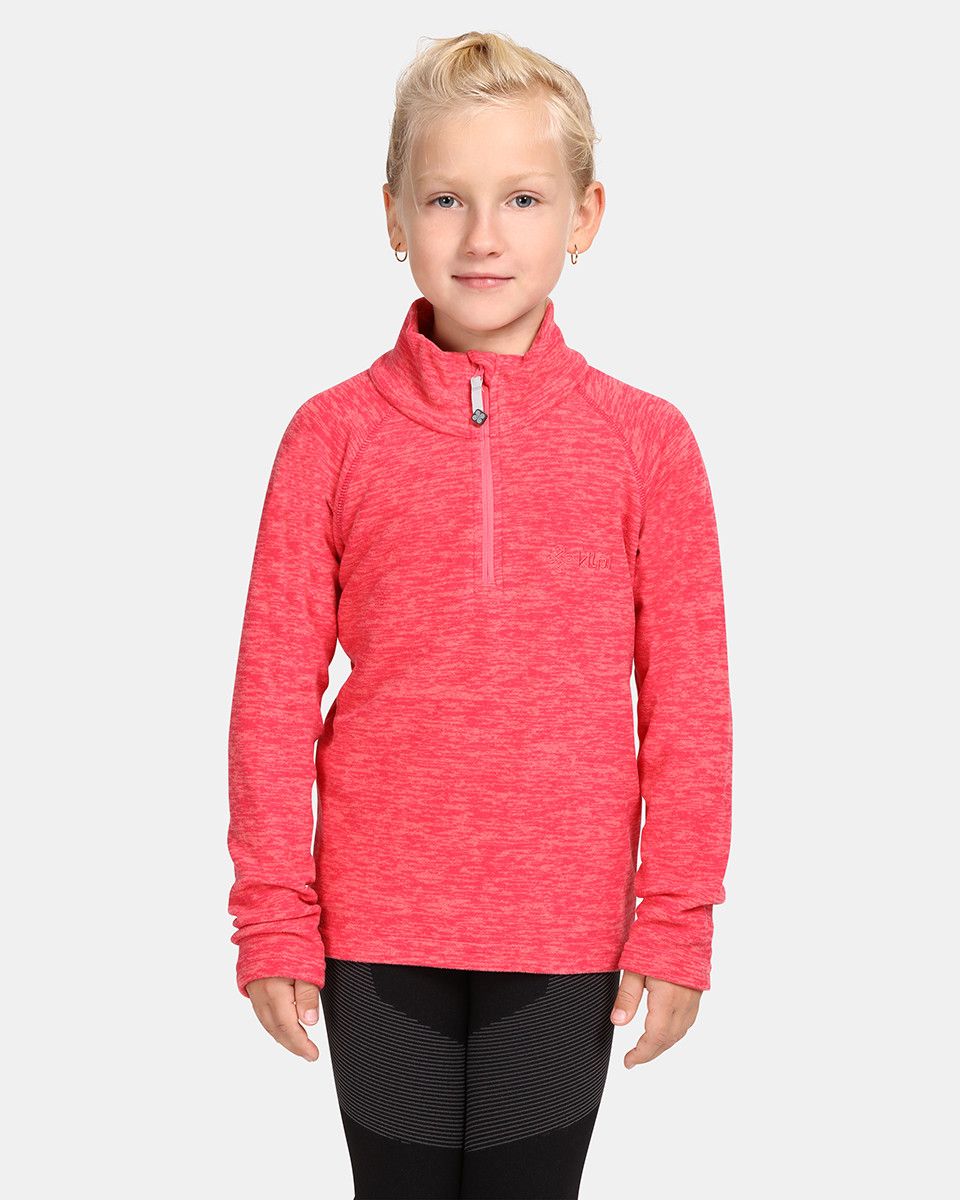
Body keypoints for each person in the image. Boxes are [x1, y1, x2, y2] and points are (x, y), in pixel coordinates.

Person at [226, 29, 733, 1200]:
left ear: (586, 215)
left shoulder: (647, 443)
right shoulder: (330, 437)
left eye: (523, 198)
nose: (483, 235)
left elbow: (690, 703)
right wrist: (272, 916)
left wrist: (676, 920)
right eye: (446, 198)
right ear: (394, 217)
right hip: (375, 926)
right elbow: (270, 692)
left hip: (566, 932)